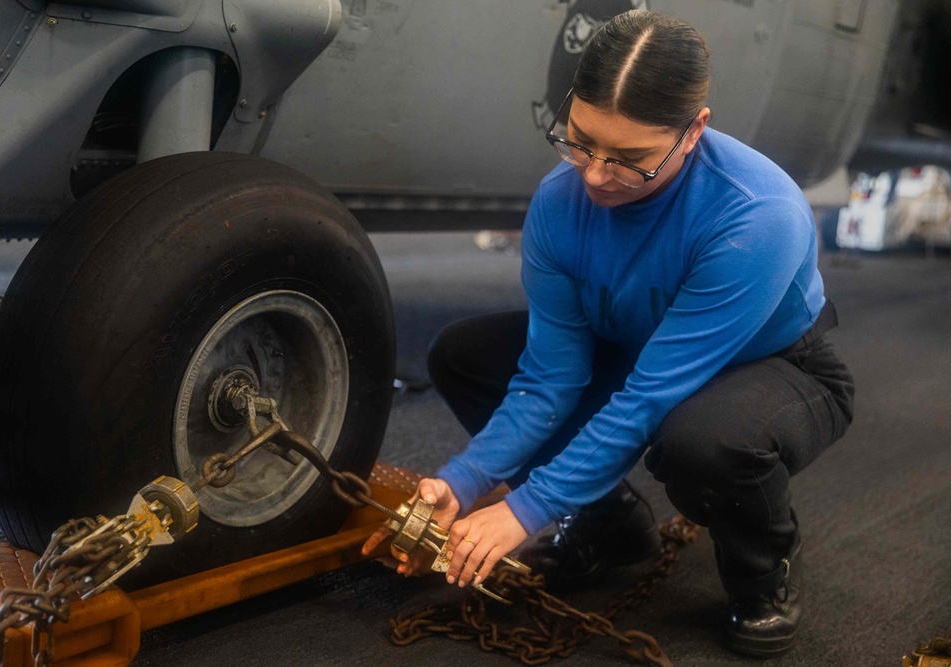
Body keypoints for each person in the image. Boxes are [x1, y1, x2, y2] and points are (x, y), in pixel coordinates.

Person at [363, 9, 854, 658]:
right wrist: (462, 481)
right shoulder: (559, 202)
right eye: (581, 140)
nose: (595, 175)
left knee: (703, 441)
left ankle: (766, 572)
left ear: (694, 130)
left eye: (631, 160)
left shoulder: (757, 215)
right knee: (468, 354)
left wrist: (526, 508)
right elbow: (550, 378)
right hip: (634, 349)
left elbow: (652, 397)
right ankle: (608, 524)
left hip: (774, 366)